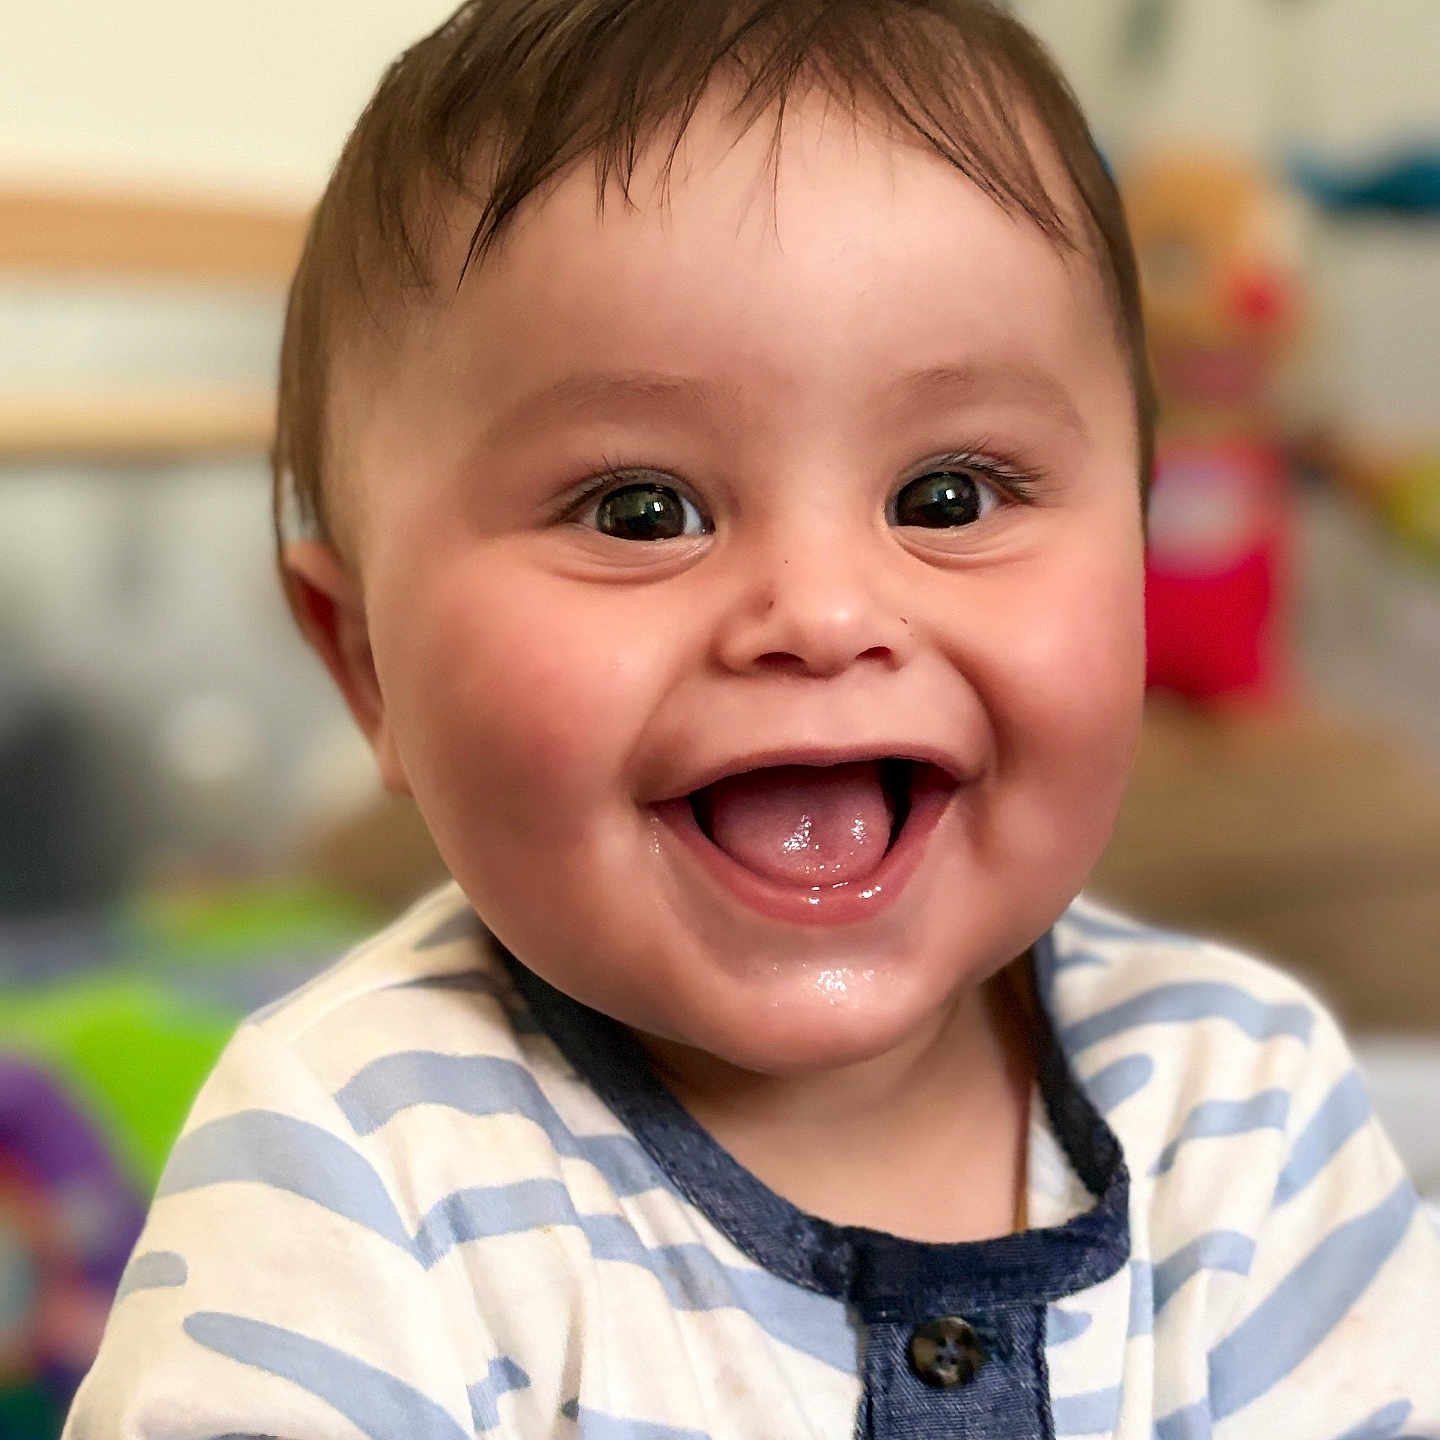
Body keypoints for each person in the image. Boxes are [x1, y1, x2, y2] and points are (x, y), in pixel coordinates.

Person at [65, 1, 1439, 1436]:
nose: (824, 611)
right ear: (364, 663)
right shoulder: (347, 1165)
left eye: (949, 497)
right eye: (640, 511)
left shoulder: (1244, 1097)